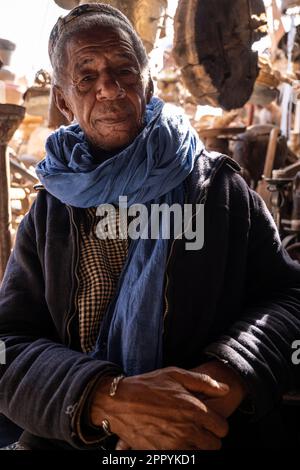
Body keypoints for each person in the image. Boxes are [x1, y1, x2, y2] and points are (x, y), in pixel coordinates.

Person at [0, 3, 300, 451]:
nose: (109, 88)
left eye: (124, 69)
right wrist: (104, 399)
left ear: (148, 83)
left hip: (209, 434)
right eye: (86, 77)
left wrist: (229, 375)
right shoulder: (51, 210)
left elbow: (290, 301)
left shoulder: (218, 187)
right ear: (63, 100)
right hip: (80, 440)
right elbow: (8, 346)